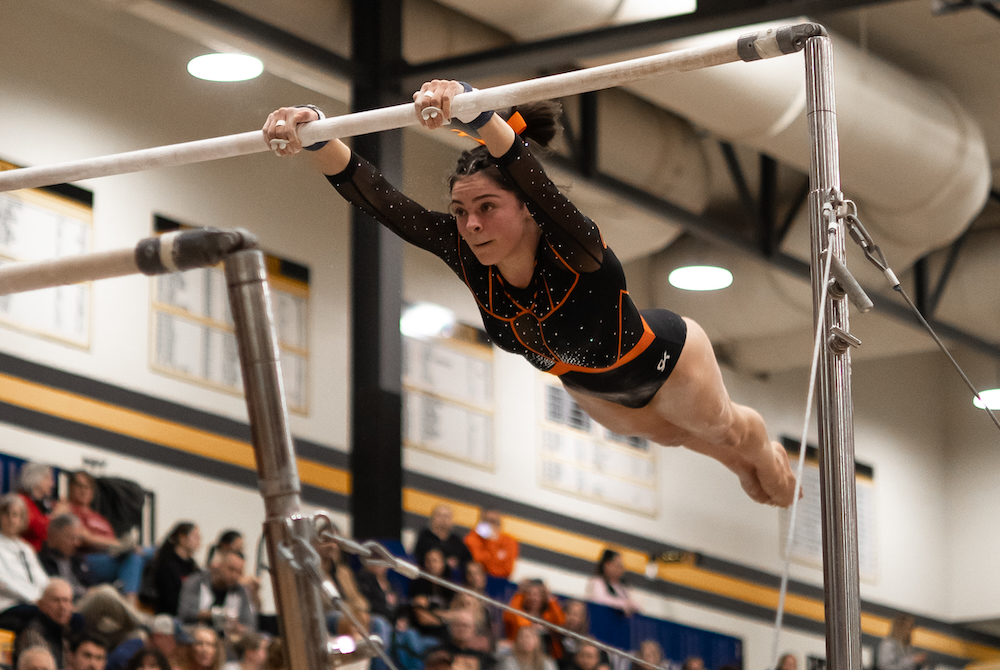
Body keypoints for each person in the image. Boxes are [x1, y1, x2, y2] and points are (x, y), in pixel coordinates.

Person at [262, 82, 796, 508]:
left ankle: (764, 453)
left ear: (524, 207)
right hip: (593, 389)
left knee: (720, 426)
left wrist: (476, 114)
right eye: (460, 211)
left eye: (487, 207)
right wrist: (314, 133)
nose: (470, 224)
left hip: (665, 361)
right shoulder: (465, 250)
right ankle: (735, 460)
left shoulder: (575, 248)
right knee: (673, 438)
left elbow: (529, 173)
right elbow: (379, 199)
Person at [65, 471, 146, 603]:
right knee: (132, 557)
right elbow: (83, 537)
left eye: (88, 487)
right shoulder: (67, 509)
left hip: (110, 556)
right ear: (70, 487)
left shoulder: (100, 518)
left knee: (148, 553)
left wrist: (120, 546)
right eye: (79, 486)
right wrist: (118, 545)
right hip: (86, 560)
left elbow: (106, 539)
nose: (84, 491)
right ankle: (130, 604)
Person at [0, 578, 84, 668]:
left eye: (66, 601)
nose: (62, 607)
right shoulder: (33, 633)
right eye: (56, 600)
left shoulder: (65, 632)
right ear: (41, 604)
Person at [177, 551, 255, 638]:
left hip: (226, 641)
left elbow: (250, 626)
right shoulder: (196, 582)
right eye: (231, 569)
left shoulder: (240, 591)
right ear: (218, 566)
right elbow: (185, 613)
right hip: (195, 636)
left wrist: (238, 627)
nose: (234, 575)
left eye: (239, 572)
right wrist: (214, 615)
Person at [0, 493, 49, 610]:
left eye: (16, 515)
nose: (11, 520)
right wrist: (34, 598)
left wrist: (51, 595)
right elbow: (3, 582)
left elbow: (41, 578)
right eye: (6, 514)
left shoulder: (25, 548)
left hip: (35, 601)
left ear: (23, 519)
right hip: (9, 604)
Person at [141, 523, 201, 616]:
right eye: (195, 537)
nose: (199, 541)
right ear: (182, 538)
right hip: (168, 615)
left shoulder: (193, 566)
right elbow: (168, 599)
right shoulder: (166, 563)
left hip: (189, 614)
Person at [37, 513, 93, 602]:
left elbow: (90, 584)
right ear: (53, 536)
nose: (76, 543)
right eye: (71, 538)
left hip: (86, 601)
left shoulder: (77, 559)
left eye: (78, 538)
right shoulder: (39, 562)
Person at [503, 580, 564, 658]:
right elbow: (509, 615)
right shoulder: (520, 614)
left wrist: (551, 599)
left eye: (537, 595)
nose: (533, 598)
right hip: (519, 654)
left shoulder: (547, 617)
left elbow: (560, 621)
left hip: (544, 657)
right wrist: (520, 593)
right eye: (529, 594)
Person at [407, 548, 456, 643]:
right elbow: (422, 617)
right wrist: (445, 620)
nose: (431, 564)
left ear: (443, 563)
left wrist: (435, 614)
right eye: (428, 561)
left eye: (435, 560)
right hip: (425, 633)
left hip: (448, 633)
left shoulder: (450, 586)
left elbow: (456, 614)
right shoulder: (417, 585)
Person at [105, 614, 183, 670]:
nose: (176, 646)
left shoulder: (138, 646)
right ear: (157, 636)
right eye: (174, 640)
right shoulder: (129, 656)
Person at [415, 506, 473, 581]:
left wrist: (457, 563)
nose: (443, 519)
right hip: (427, 580)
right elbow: (419, 557)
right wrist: (445, 563)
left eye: (446, 516)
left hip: (452, 581)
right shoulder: (425, 536)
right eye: (439, 515)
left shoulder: (456, 540)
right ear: (433, 518)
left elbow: (468, 560)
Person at [463, 510, 518, 579]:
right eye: (488, 521)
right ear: (481, 523)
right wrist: (491, 542)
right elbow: (476, 562)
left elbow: (507, 570)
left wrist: (492, 541)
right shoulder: (472, 538)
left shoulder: (509, 541)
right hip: (475, 579)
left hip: (499, 582)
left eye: (495, 522)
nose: (492, 525)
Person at [16, 464, 58, 553]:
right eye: (48, 478)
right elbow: (36, 529)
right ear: (36, 478)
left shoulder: (43, 503)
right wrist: (56, 514)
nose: (52, 484)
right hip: (25, 552)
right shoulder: (21, 501)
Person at [585, 551, 640, 616]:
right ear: (606, 565)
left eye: (621, 566)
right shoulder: (597, 581)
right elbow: (599, 600)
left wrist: (628, 605)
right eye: (617, 565)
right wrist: (622, 604)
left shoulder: (623, 588)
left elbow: (636, 606)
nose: (620, 569)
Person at [556, 600, 589, 668]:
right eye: (569, 613)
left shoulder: (586, 642)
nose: (573, 618)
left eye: (577, 615)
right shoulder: (554, 636)